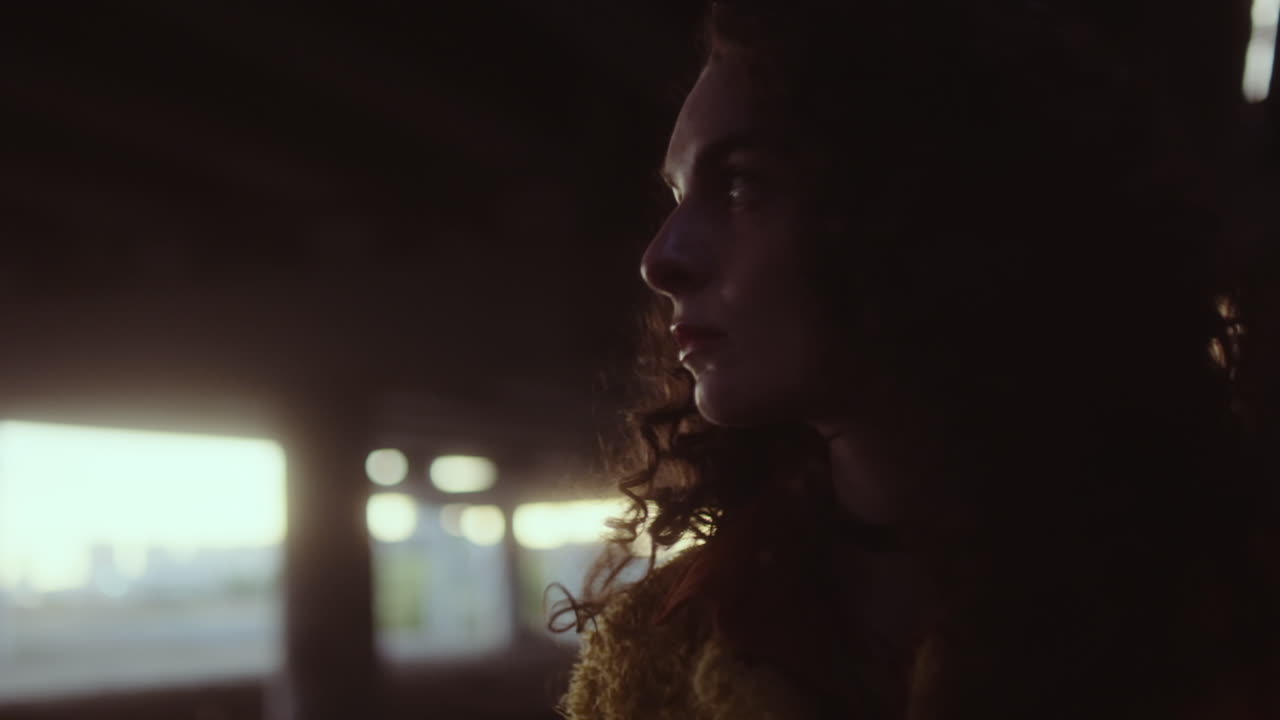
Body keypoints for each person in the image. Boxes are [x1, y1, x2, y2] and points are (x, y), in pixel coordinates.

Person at [553, 1, 1279, 718]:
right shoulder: (656, 653)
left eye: (741, 184)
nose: (659, 260)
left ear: (936, 206)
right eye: (678, 197)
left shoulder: (1229, 624)